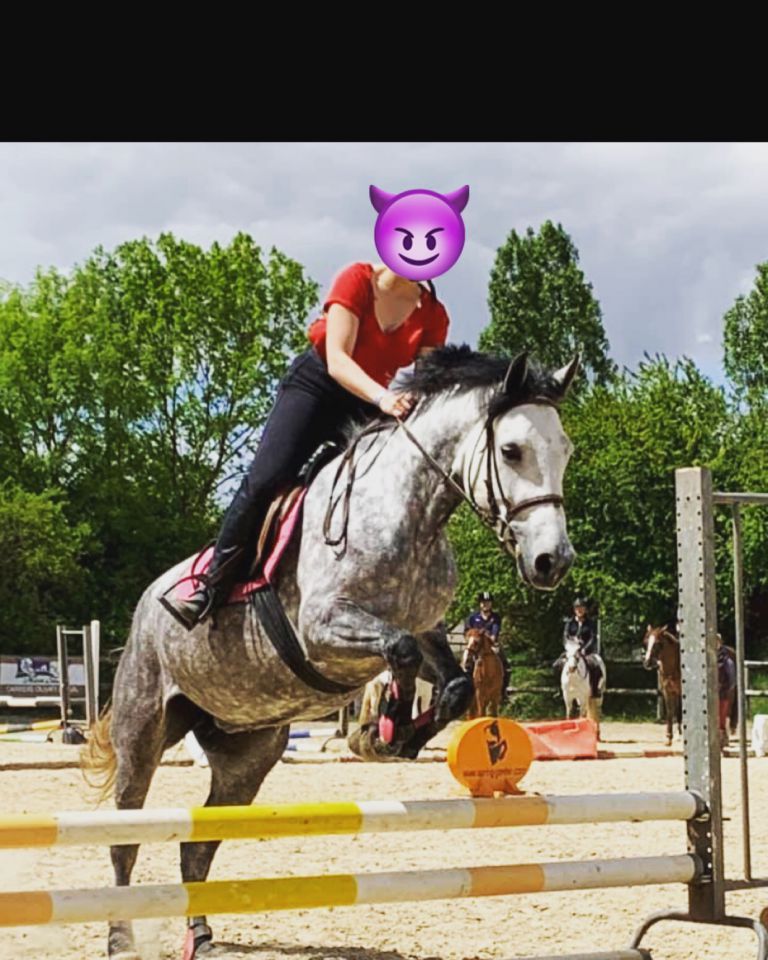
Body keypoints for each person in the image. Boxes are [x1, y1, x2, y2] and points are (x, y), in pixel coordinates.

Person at [163, 262, 450, 630]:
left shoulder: (434, 314)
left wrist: (413, 400)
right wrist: (384, 398)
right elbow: (338, 361)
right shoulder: (357, 279)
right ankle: (211, 586)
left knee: (384, 488)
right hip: (317, 387)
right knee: (268, 479)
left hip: (366, 403)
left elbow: (425, 382)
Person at [463, 591, 510, 699]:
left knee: (505, 664)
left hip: (490, 644)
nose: (485, 605)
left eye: (488, 602)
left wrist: (491, 637)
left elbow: (495, 632)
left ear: (491, 604)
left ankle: (503, 690)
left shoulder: (495, 617)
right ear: (480, 604)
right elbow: (467, 632)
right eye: (483, 602)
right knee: (466, 661)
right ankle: (466, 688)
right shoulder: (472, 617)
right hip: (475, 645)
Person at [554, 597, 602, 697]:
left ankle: (594, 690)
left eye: (581, 608)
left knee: (596, 667)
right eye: (577, 608)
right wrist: (568, 647)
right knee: (556, 665)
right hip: (571, 651)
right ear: (574, 610)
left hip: (586, 651)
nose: (579, 610)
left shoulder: (590, 623)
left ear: (585, 609)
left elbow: (592, 638)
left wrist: (585, 649)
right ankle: (559, 689)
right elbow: (565, 637)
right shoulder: (569, 623)